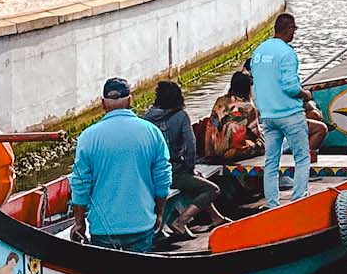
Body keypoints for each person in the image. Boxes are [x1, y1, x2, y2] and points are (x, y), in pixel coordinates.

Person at [68, 76, 172, 251]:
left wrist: (79, 223)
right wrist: (159, 214)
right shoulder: (152, 132)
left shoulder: (87, 137)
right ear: (130, 100)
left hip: (102, 230)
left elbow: (80, 184)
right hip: (142, 224)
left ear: (102, 103)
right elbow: (163, 179)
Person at [144, 79, 222, 236]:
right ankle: (181, 221)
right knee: (212, 189)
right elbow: (190, 148)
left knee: (194, 182)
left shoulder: (146, 119)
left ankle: (216, 218)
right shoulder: (181, 116)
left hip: (151, 173)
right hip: (173, 173)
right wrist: (190, 168)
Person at [251, 12, 314, 206]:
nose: (294, 34)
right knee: (302, 158)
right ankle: (298, 201)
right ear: (288, 30)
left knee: (271, 161)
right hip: (290, 114)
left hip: (267, 116)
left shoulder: (259, 51)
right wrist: (306, 94)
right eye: (293, 30)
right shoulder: (287, 52)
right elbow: (290, 87)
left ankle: (272, 203)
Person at [206, 69, 264, 162]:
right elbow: (255, 134)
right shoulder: (249, 107)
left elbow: (212, 126)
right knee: (262, 144)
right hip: (232, 152)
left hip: (215, 150)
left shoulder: (220, 101)